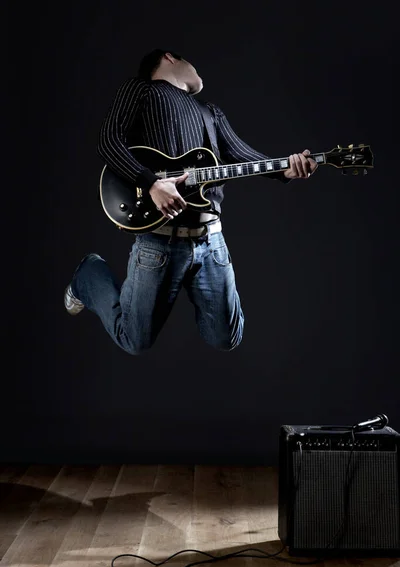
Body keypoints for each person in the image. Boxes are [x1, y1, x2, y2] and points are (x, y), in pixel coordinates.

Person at [64, 49, 318, 355]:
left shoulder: (210, 113)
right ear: (170, 59)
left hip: (211, 239)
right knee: (134, 339)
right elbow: (108, 140)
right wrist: (152, 183)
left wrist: (285, 168)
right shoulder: (141, 90)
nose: (201, 74)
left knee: (227, 338)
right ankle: (88, 273)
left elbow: (244, 156)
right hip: (159, 243)